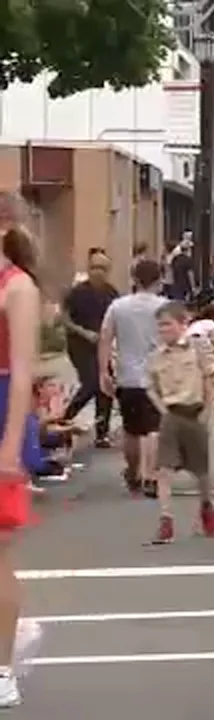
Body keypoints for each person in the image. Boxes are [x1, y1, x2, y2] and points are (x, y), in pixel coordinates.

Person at [0, 192, 46, 706]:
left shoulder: (18, 288)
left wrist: (11, 444)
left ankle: (4, 668)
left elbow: (21, 374)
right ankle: (18, 632)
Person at [144, 301, 214, 543]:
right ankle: (166, 521)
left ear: (182, 324)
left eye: (168, 324)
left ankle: (207, 508)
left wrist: (208, 409)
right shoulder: (156, 356)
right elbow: (150, 387)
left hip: (195, 412)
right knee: (164, 470)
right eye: (160, 326)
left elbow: (212, 378)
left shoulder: (197, 349)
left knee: (201, 472)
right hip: (172, 414)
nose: (163, 330)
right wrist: (162, 409)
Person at [99, 259, 169, 496]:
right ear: (159, 280)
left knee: (131, 429)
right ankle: (151, 474)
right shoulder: (165, 307)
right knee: (154, 427)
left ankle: (133, 471)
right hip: (158, 375)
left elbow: (105, 338)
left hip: (126, 375)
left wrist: (103, 371)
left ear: (134, 279)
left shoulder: (118, 307)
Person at [60, 248, 118, 447]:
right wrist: (84, 332)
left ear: (108, 270)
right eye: (94, 267)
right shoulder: (78, 292)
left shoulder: (111, 293)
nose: (98, 272)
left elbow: (116, 320)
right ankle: (64, 419)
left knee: (105, 385)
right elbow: (64, 318)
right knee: (92, 382)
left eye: (102, 268)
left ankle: (102, 432)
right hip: (79, 345)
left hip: (102, 346)